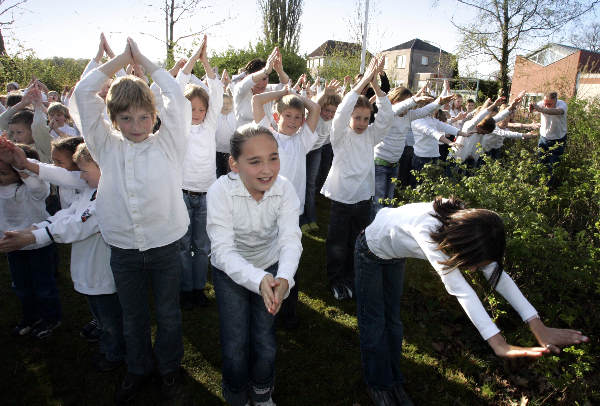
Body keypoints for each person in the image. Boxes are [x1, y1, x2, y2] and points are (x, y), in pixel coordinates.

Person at [355, 196, 590, 406]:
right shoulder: (428, 231)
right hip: (370, 251)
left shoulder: (468, 229)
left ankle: (393, 380)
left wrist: (536, 323)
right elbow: (460, 289)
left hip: (394, 256)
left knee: (393, 323)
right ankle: (379, 385)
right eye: (477, 262)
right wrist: (499, 344)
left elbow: (498, 277)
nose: (477, 268)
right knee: (375, 323)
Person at [70, 37, 191, 402]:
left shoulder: (169, 142)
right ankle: (138, 368)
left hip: (165, 243)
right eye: (125, 118)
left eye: (143, 117)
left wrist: (146, 62)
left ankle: (169, 367)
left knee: (168, 314)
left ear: (154, 117)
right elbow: (82, 93)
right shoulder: (105, 146)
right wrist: (120, 60)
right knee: (133, 316)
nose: (136, 125)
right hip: (122, 246)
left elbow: (175, 96)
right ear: (113, 119)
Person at [0, 141, 125, 371]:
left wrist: (33, 237)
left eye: (84, 171)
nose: (80, 176)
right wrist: (33, 228)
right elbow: (67, 213)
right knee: (100, 312)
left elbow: (76, 226)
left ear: (103, 167)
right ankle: (108, 338)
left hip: (102, 274)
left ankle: (115, 353)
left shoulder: (107, 198)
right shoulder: (91, 189)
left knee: (111, 319)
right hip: (89, 270)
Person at [207, 124, 302, 406]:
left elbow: (290, 239)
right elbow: (222, 251)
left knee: (264, 339)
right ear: (234, 164)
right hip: (229, 274)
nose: (267, 169)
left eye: (273, 157)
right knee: (235, 342)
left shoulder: (284, 189)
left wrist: (283, 278)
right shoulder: (220, 192)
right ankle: (236, 393)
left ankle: (262, 392)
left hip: (271, 269)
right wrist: (258, 279)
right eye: (255, 161)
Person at [320, 56, 393, 300]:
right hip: (341, 198)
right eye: (357, 118)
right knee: (337, 243)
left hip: (363, 198)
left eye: (365, 118)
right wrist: (361, 83)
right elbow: (340, 113)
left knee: (357, 241)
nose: (362, 123)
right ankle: (336, 280)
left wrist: (376, 88)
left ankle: (352, 277)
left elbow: (386, 119)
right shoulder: (340, 136)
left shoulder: (371, 136)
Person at [252, 82, 320, 328]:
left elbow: (315, 108)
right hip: (268, 209)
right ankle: (267, 305)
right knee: (268, 259)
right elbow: (257, 101)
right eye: (287, 116)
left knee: (290, 261)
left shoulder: (303, 141)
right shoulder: (266, 137)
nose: (292, 121)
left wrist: (297, 95)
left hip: (293, 212)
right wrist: (283, 93)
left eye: (297, 117)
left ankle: (289, 311)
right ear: (276, 116)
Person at [176, 35, 224, 310]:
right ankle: (185, 289)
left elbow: (215, 93)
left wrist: (206, 63)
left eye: (201, 109)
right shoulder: (179, 125)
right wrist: (193, 57)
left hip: (206, 193)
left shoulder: (209, 126)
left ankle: (198, 288)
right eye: (192, 108)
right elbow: (177, 86)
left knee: (202, 245)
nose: (196, 113)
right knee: (183, 245)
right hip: (182, 192)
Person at [0, 142, 61, 339]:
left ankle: (50, 318)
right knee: (21, 286)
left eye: (3, 173)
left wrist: (20, 164)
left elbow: (37, 184)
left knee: (43, 285)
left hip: (38, 244)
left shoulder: (32, 191)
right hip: (13, 246)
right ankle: (31, 317)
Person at [373, 87, 452, 212]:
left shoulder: (408, 116)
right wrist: (413, 100)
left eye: (409, 103)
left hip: (394, 165)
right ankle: (371, 229)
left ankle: (385, 227)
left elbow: (424, 110)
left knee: (389, 200)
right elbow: (395, 109)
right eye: (405, 102)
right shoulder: (387, 113)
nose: (408, 107)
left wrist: (439, 102)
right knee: (378, 201)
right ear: (394, 101)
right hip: (379, 164)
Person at [302, 80, 341, 232]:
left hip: (316, 151)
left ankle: (311, 217)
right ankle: (301, 218)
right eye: (327, 111)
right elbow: (315, 106)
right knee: (300, 183)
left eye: (332, 112)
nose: (329, 114)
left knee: (310, 185)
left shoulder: (333, 119)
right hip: (302, 151)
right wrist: (324, 94)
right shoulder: (316, 114)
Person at [233, 47, 290, 128]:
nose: (261, 83)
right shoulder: (240, 90)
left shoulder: (269, 89)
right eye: (258, 79)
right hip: (244, 138)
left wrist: (280, 71)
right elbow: (247, 81)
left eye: (264, 78)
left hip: (265, 137)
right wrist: (265, 71)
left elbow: (286, 86)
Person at [529, 91, 567, 186]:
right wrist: (532, 107)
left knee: (553, 165)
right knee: (541, 161)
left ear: (555, 101)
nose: (546, 105)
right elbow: (533, 109)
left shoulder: (562, 105)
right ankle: (538, 184)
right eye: (545, 103)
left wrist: (542, 109)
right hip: (544, 138)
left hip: (558, 139)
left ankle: (548, 188)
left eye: (549, 104)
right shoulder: (542, 103)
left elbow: (556, 111)